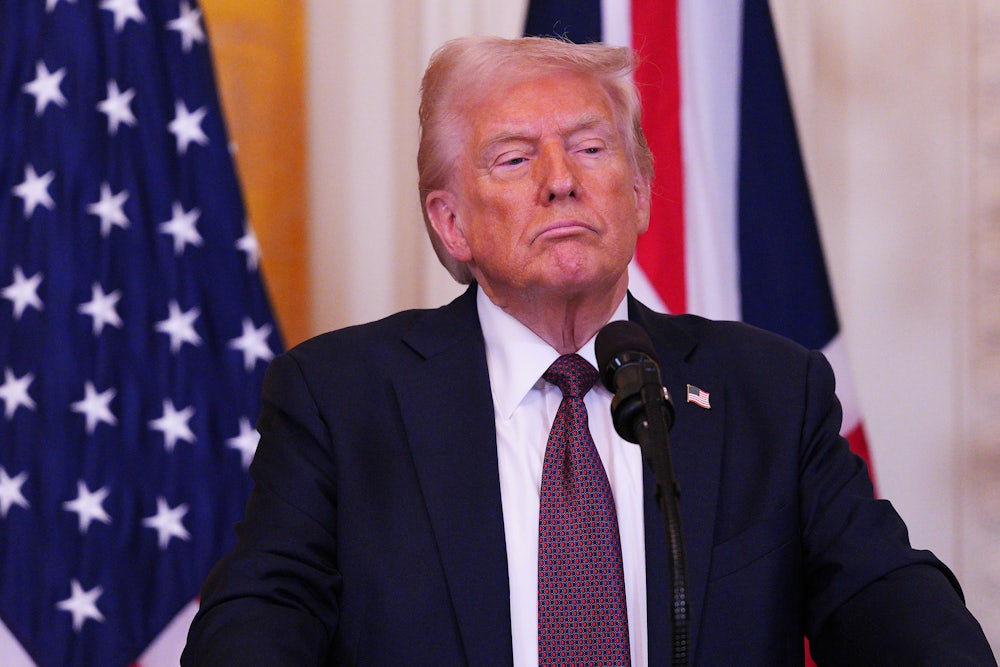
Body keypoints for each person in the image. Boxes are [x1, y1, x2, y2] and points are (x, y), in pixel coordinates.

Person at [182, 36, 996, 665]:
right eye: (514, 157)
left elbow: (885, 594)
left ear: (639, 193)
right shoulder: (343, 397)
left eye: (592, 147)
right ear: (451, 222)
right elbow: (261, 616)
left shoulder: (767, 391)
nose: (561, 179)